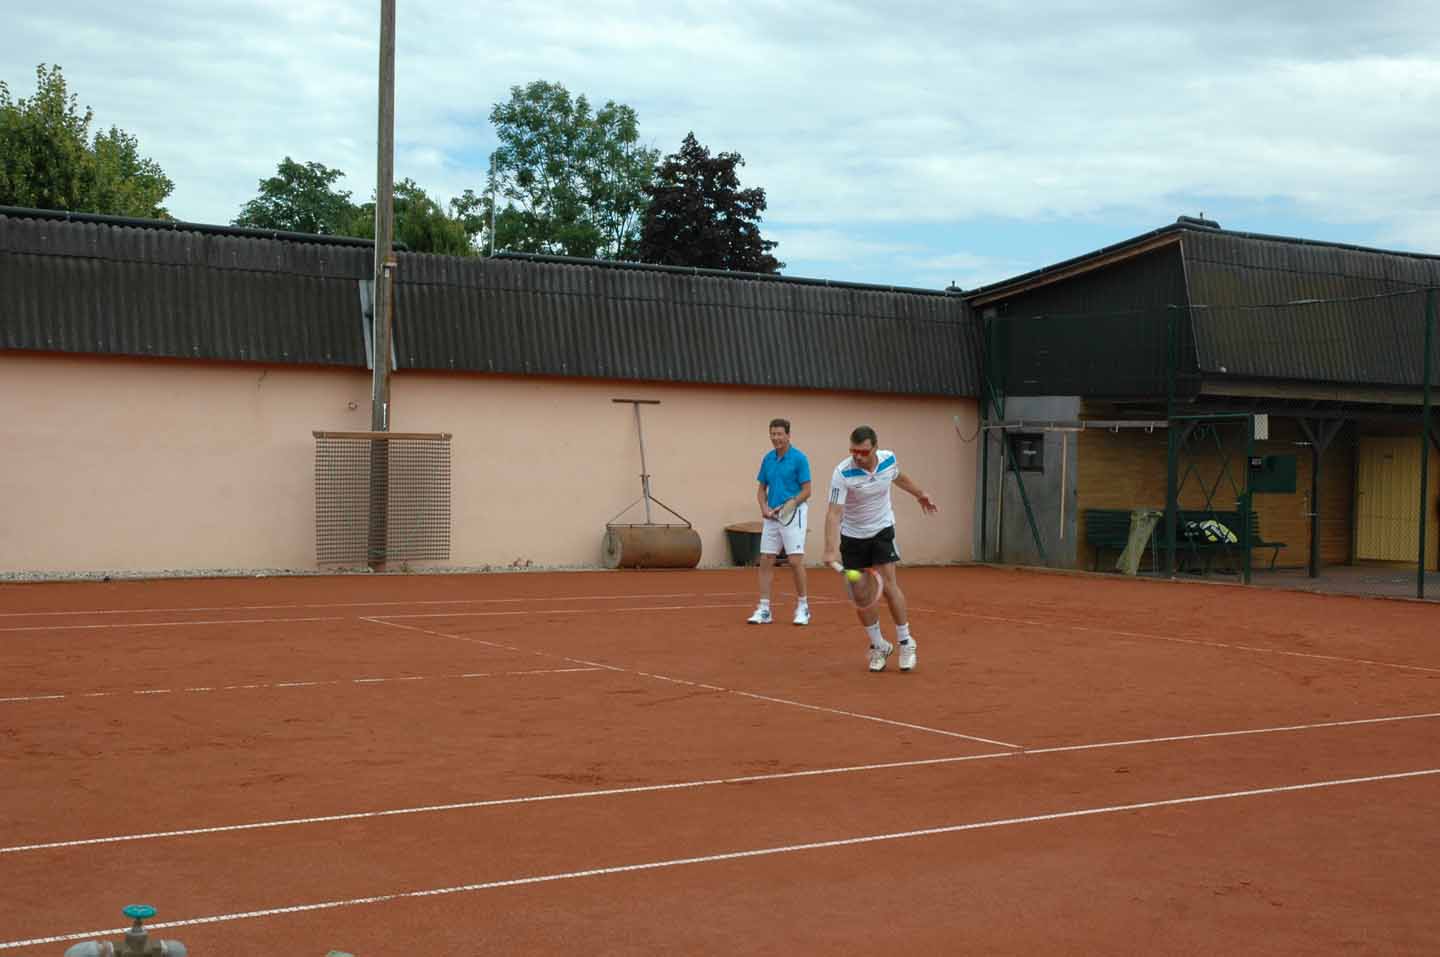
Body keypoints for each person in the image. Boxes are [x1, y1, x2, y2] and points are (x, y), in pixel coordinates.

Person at [822, 425, 938, 672]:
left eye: (863, 452)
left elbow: (899, 477)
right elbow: (834, 513)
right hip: (853, 538)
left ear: (875, 447)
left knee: (888, 586)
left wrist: (920, 494)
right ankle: (879, 646)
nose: (857, 456)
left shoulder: (888, 460)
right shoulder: (842, 473)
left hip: (882, 532)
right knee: (861, 595)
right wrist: (830, 548)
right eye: (853, 451)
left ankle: (906, 642)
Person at [747, 418, 813, 625]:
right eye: (773, 434)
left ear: (788, 435)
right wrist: (764, 508)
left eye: (779, 434)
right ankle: (764, 609)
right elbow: (761, 490)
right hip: (772, 516)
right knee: (766, 559)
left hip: (794, 514)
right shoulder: (768, 459)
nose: (776, 438)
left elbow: (807, 491)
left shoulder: (799, 458)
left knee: (794, 561)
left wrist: (788, 507)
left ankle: (803, 607)